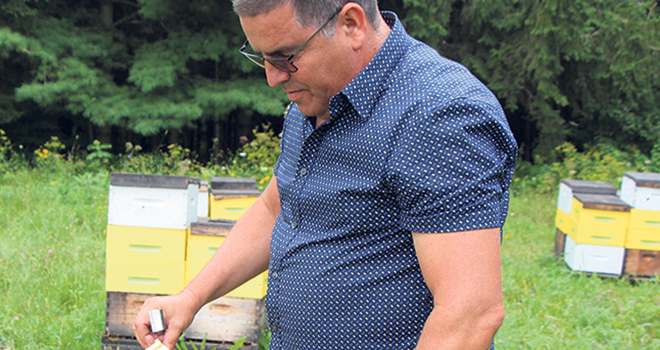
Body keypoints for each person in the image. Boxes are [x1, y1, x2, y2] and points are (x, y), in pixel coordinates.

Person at [132, 1, 517, 349]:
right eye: (261, 57)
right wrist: (191, 297)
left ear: (351, 24)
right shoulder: (314, 98)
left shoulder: (438, 114)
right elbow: (276, 208)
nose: (272, 77)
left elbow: (469, 314)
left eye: (285, 57)